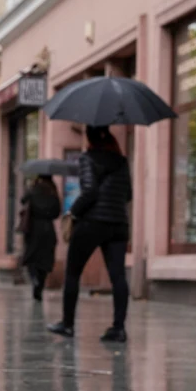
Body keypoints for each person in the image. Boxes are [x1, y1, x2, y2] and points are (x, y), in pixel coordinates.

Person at [48, 126, 133, 342]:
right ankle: (119, 328)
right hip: (118, 224)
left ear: (90, 139)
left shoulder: (88, 158)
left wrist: (72, 212)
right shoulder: (122, 161)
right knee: (118, 276)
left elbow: (90, 191)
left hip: (92, 223)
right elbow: (128, 194)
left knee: (73, 272)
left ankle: (67, 324)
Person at [20, 175, 61, 302]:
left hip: (33, 228)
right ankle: (40, 287)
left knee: (31, 257)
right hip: (48, 229)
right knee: (44, 260)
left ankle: (34, 279)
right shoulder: (53, 192)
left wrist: (30, 188)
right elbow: (57, 212)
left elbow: (22, 200)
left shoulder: (33, 189)